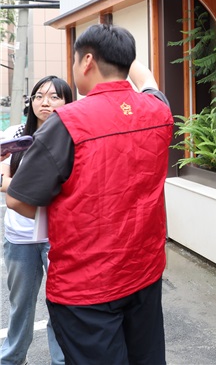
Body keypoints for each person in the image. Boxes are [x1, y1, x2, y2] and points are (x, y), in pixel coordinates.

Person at [6, 24, 174, 365]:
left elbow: (19, 201)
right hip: (143, 273)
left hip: (87, 285)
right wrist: (124, 56)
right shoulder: (158, 110)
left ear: (87, 62)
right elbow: (148, 81)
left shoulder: (66, 122)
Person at [0, 76, 71, 365]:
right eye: (39, 96)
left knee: (62, 305)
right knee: (21, 305)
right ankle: (13, 359)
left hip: (58, 236)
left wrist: (19, 187)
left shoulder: (72, 137)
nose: (45, 102)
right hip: (20, 235)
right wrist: (33, 190)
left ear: (67, 102)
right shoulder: (16, 133)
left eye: (54, 97)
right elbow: (2, 180)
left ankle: (62, 360)